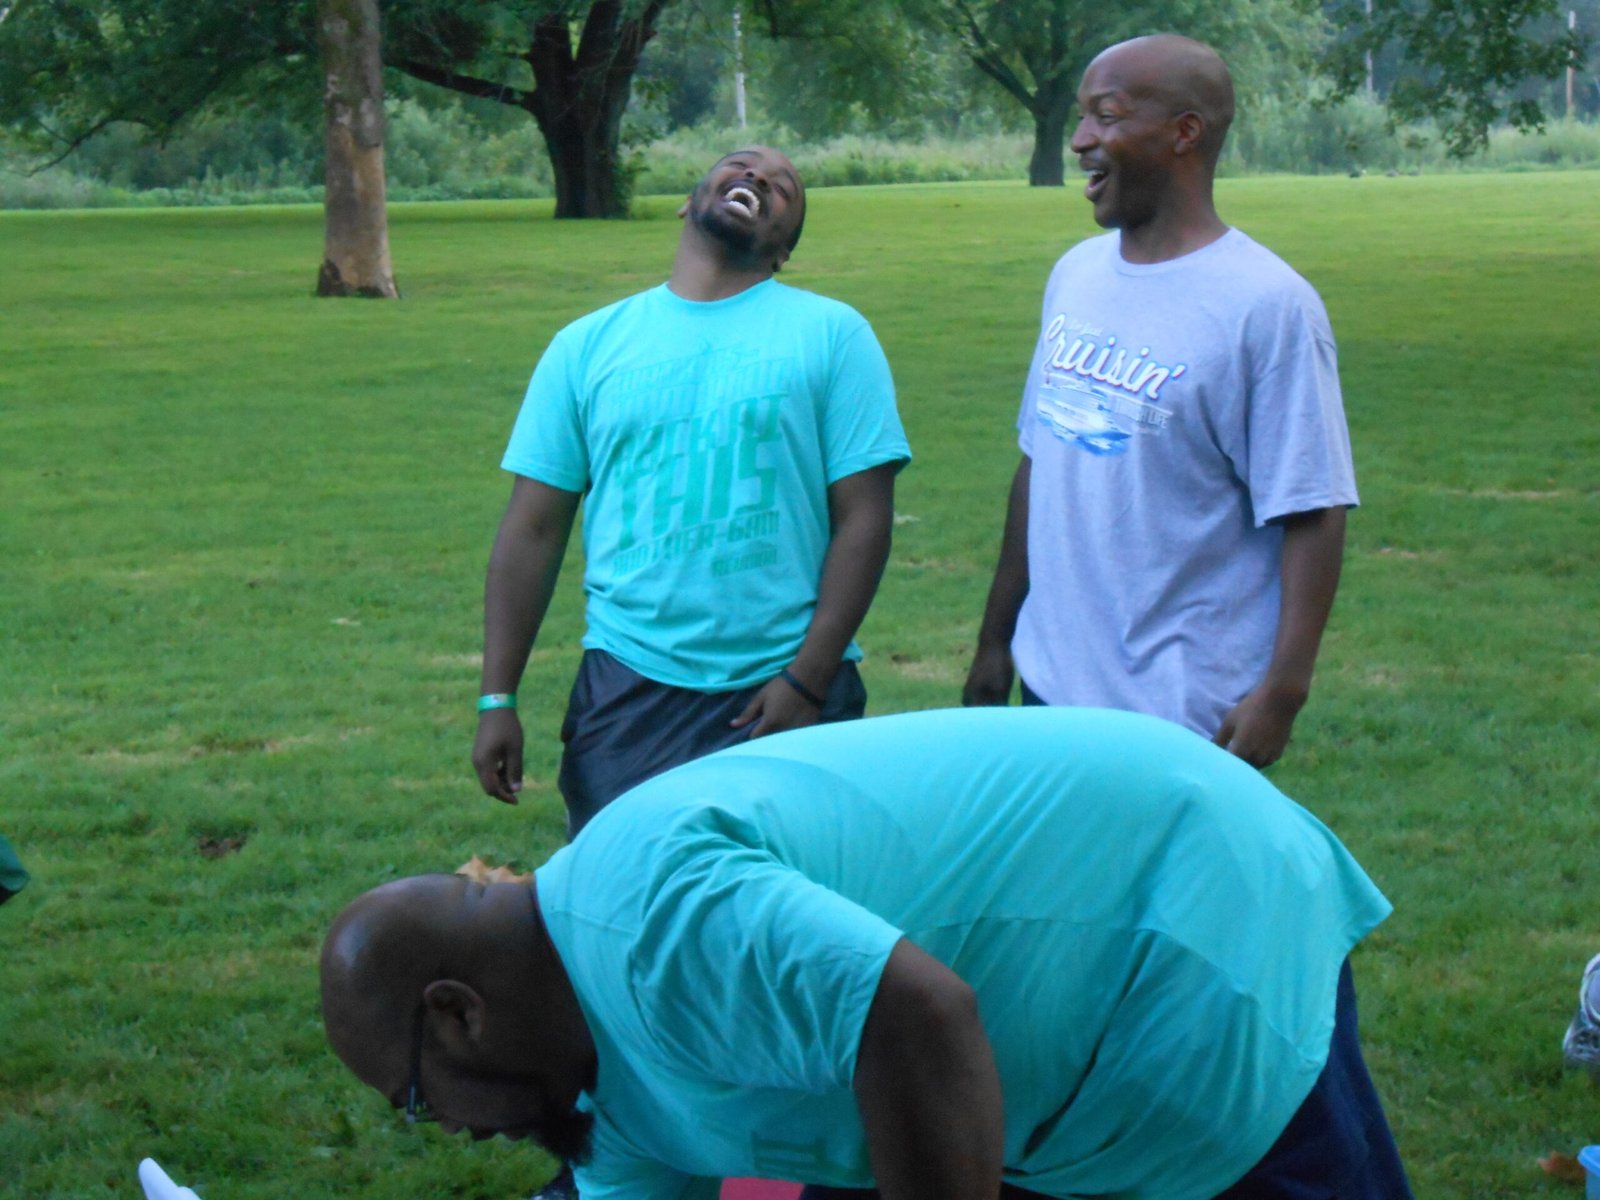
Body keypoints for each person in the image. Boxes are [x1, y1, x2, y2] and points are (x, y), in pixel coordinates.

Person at [323, 706, 1413, 1200]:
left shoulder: (645, 920)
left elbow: (916, 1018)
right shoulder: (588, 1074)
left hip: (1180, 917)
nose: (450, 1130)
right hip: (1056, 1046)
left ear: (457, 1012)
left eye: (419, 1100)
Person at [472, 145, 910, 839]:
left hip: (786, 686)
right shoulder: (586, 346)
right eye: (740, 163)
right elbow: (533, 528)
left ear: (784, 250)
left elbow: (864, 518)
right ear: (687, 201)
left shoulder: (832, 335)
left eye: (784, 188)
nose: (758, 176)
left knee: (789, 900)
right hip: (628, 688)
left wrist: (808, 679)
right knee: (624, 895)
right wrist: (497, 697)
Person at [962, 35, 1357, 768]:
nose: (1080, 140)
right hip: (1051, 685)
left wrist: (1283, 691)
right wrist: (997, 638)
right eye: (1080, 117)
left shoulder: (1267, 306)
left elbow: (1312, 508)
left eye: (1107, 116)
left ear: (1185, 132)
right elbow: (1040, 460)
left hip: (1180, 713)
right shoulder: (1076, 274)